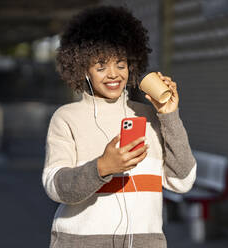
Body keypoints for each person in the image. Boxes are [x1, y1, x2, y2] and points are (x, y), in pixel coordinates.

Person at [42, 5, 197, 248]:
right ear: (84, 70)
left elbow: (183, 181)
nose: (113, 74)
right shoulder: (66, 117)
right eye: (101, 66)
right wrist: (102, 167)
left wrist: (169, 115)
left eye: (121, 64)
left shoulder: (148, 115)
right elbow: (55, 187)